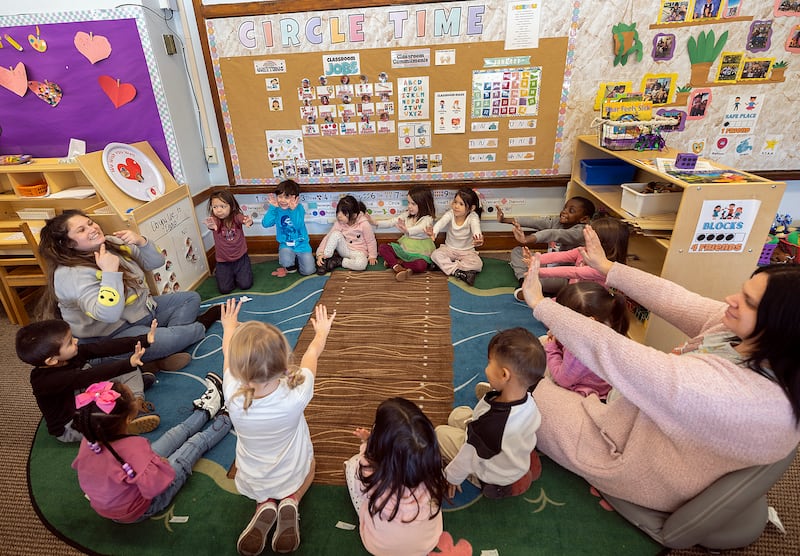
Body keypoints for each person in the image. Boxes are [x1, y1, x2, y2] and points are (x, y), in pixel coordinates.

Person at [520, 225, 800, 512]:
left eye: (748, 302)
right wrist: (607, 267)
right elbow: (676, 299)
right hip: (638, 415)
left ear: (780, 326)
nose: (731, 300)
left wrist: (542, 306)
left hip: (642, 462)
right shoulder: (749, 337)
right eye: (742, 292)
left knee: (525, 392)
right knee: (540, 363)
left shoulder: (739, 396)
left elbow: (622, 356)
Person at [221, 299, 336, 555]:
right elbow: (311, 355)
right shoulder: (297, 393)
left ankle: (264, 505)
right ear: (285, 364)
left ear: (240, 372)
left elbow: (228, 352)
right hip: (292, 470)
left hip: (253, 474)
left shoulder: (231, 393)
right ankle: (291, 501)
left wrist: (229, 326)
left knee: (263, 485)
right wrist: (321, 333)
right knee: (312, 466)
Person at [38, 210, 220, 368]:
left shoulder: (111, 243)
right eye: (82, 230)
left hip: (143, 312)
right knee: (180, 334)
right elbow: (108, 314)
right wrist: (110, 273)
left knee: (191, 299)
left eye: (90, 222)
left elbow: (156, 262)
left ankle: (161, 353)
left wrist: (141, 242)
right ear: (68, 244)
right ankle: (181, 337)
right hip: (112, 335)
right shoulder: (69, 275)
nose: (93, 228)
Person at [70, 376, 230, 523]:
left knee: (171, 436)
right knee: (191, 447)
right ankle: (227, 417)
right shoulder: (135, 449)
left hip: (117, 494)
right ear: (128, 419)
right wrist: (160, 464)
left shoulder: (89, 439)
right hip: (142, 507)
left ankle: (205, 409)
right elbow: (156, 486)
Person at [435, 328, 545, 499]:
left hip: (493, 471)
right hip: (507, 450)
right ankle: (492, 397)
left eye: (489, 362)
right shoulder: (529, 400)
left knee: (439, 433)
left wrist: (452, 478)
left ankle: (479, 480)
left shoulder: (491, 426)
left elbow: (467, 457)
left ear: (504, 374)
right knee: (458, 415)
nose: (486, 367)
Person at [17, 318, 161, 439]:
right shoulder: (46, 381)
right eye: (69, 342)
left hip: (85, 394)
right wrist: (127, 363)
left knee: (130, 369)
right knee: (122, 369)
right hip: (71, 425)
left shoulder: (69, 355)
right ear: (51, 361)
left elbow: (102, 347)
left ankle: (136, 399)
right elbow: (89, 376)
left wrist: (143, 340)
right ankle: (125, 421)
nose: (76, 340)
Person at [344, 397, 448, 556]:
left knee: (352, 465)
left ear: (381, 444)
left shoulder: (369, 469)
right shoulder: (432, 467)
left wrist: (366, 445)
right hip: (426, 545)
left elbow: (361, 490)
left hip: (379, 547)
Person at [544, 281, 629, 400]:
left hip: (588, 392)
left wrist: (551, 348)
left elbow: (562, 379)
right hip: (603, 383)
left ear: (588, 321)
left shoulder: (578, 351)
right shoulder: (610, 326)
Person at [512, 216, 629, 301]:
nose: (585, 237)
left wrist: (537, 271)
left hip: (585, 302)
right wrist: (535, 259)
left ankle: (529, 288)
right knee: (550, 306)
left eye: (590, 236)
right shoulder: (584, 250)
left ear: (603, 243)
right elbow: (561, 256)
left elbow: (572, 272)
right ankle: (529, 287)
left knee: (547, 311)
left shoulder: (603, 268)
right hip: (572, 293)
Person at [498, 196, 595, 295]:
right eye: (565, 208)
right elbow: (535, 222)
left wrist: (527, 239)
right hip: (547, 264)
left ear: (584, 219)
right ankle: (524, 281)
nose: (564, 212)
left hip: (564, 276)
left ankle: (529, 283)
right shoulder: (557, 222)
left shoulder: (581, 232)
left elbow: (554, 234)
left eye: (571, 211)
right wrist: (504, 220)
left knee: (550, 282)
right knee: (517, 251)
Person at [368, 185, 436, 281]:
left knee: (421, 266)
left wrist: (407, 230)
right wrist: (374, 223)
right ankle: (397, 267)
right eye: (408, 203)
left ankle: (398, 263)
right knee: (383, 248)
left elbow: (420, 228)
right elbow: (392, 221)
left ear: (423, 204)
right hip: (405, 248)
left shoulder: (428, 219)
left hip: (420, 251)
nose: (409, 206)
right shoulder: (407, 214)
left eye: (413, 204)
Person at [427, 187, 484, 286]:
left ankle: (445, 267)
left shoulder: (472, 216)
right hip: (449, 249)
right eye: (455, 202)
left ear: (471, 208)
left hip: (467, 252)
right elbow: (441, 223)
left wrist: (478, 238)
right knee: (435, 255)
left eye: (461, 204)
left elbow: (476, 228)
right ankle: (458, 272)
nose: (456, 206)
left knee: (478, 264)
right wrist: (434, 232)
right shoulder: (450, 214)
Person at [261, 179, 315, 277]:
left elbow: (298, 225)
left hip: (302, 244)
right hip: (286, 245)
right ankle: (291, 261)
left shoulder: (299, 208)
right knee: (286, 263)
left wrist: (293, 210)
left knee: (308, 271)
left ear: (295, 198)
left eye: (287, 197)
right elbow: (265, 224)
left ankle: (299, 259)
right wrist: (272, 208)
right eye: (280, 196)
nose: (282, 200)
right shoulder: (277, 209)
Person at [206, 190, 254, 294]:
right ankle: (223, 274)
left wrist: (248, 221)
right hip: (223, 261)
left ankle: (241, 273)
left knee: (245, 285)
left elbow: (243, 219)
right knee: (225, 289)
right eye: (215, 207)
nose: (218, 210)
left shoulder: (236, 216)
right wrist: (211, 226)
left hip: (241, 258)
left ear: (231, 206)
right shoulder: (215, 219)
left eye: (222, 207)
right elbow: (213, 224)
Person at [316, 195, 377, 274]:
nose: (339, 216)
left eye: (344, 214)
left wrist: (372, 256)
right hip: (344, 250)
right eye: (338, 212)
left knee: (362, 265)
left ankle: (339, 261)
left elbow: (371, 241)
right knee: (335, 234)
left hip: (359, 252)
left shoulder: (364, 224)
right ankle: (324, 260)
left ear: (354, 215)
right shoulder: (339, 223)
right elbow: (328, 237)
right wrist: (320, 253)